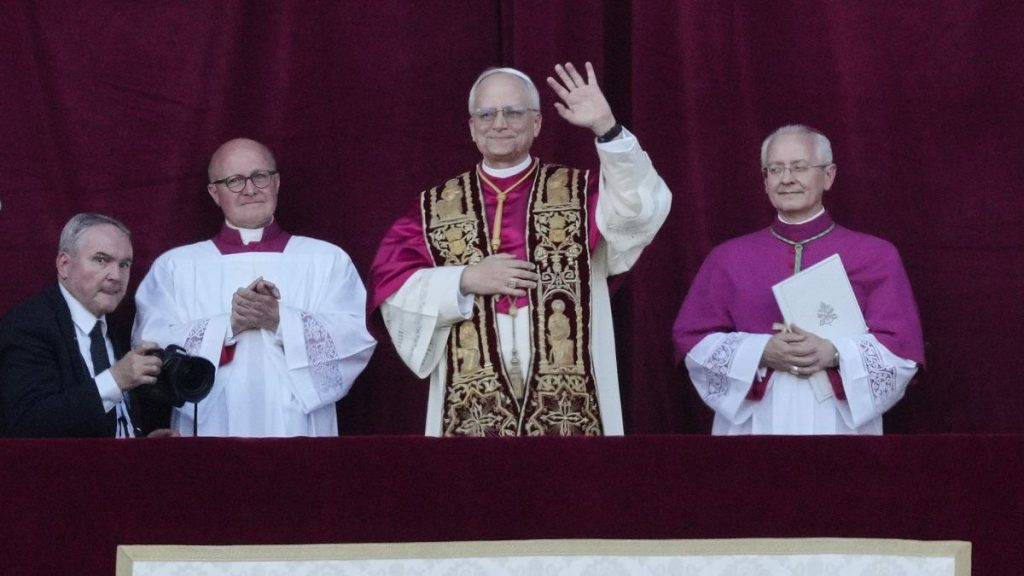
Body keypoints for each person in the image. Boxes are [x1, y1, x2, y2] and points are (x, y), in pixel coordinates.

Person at [370, 62, 672, 436]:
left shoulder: (584, 193)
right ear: (472, 127)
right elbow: (391, 288)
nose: (499, 123)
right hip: (471, 403)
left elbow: (642, 208)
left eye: (513, 112)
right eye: (487, 114)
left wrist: (606, 128)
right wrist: (463, 280)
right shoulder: (433, 207)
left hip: (572, 400)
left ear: (537, 123)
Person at [673, 125, 925, 435]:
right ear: (765, 182)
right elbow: (692, 341)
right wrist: (761, 351)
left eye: (799, 167)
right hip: (753, 421)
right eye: (775, 169)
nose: (786, 178)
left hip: (839, 422)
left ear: (828, 176)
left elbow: (901, 349)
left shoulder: (875, 256)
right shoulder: (727, 258)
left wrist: (833, 352)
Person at [132, 138, 376, 437]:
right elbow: (151, 348)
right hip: (211, 424)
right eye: (234, 181)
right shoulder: (175, 266)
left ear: (276, 183)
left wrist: (281, 320)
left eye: (260, 176)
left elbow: (356, 338)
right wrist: (228, 326)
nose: (249, 189)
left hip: (298, 424)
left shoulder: (327, 259)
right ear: (215, 193)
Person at [0, 213, 168, 437]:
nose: (116, 276)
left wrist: (140, 442)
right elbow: (28, 422)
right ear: (64, 265)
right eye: (101, 260)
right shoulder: (28, 325)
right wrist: (115, 380)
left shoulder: (118, 326)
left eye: (124, 264)